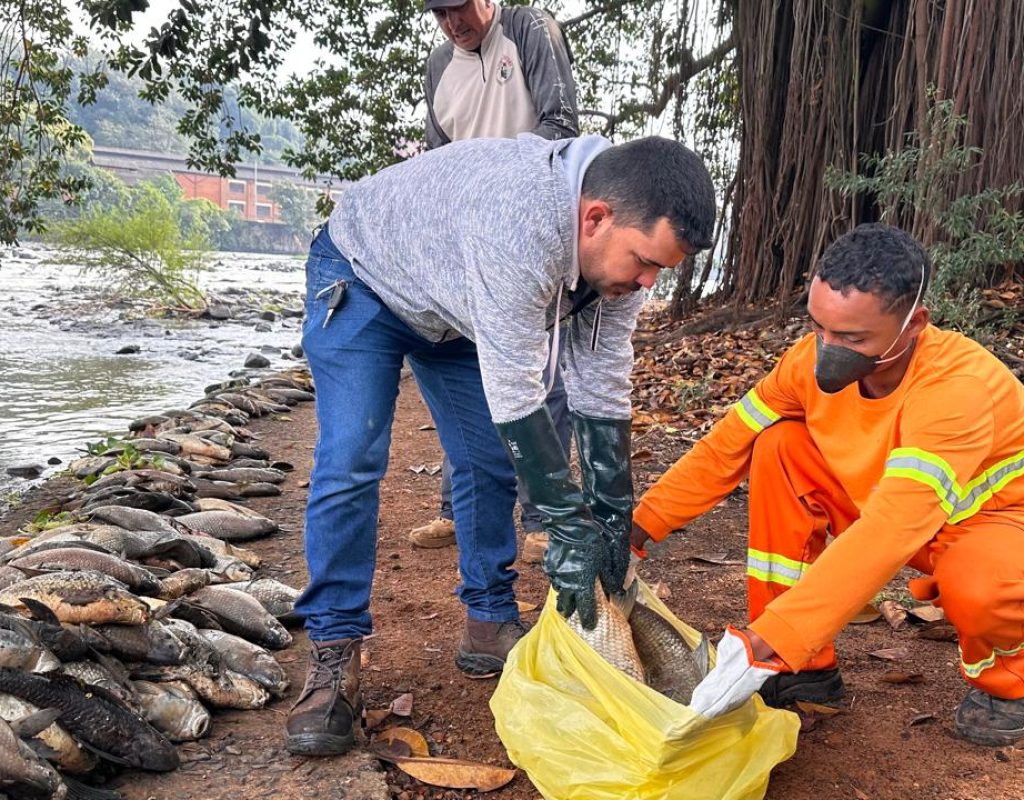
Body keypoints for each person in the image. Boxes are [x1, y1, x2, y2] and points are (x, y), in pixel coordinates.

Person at [285, 133, 716, 756]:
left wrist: (613, 514)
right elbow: (518, 393)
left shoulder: (617, 261)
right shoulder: (521, 222)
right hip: (367, 276)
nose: (647, 281)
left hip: (459, 300)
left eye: (660, 271)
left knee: (487, 463)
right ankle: (333, 651)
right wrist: (570, 527)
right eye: (644, 262)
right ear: (594, 218)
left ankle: (488, 621)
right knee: (352, 458)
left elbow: (600, 380)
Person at [630, 223, 1024, 747]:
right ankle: (805, 669)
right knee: (778, 446)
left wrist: (776, 637)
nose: (829, 350)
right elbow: (728, 444)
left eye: (854, 338)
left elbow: (893, 527)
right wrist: (638, 527)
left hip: (993, 525)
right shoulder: (804, 364)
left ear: (914, 324)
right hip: (899, 512)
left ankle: (1009, 682)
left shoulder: (958, 389)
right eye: (820, 328)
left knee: (981, 584)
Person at [410, 0, 578, 556]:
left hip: (528, 227)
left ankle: (540, 517)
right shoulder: (439, 65)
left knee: (540, 372)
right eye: (440, 14)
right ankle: (458, 510)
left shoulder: (529, 30)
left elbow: (561, 126)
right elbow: (437, 161)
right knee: (464, 373)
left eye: (460, 8)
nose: (453, 24)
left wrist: (492, 181)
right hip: (464, 241)